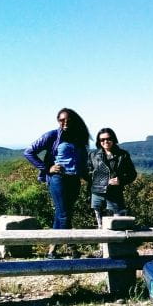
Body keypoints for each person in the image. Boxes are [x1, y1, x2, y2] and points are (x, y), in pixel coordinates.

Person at [24, 108, 90, 258]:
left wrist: (90, 179)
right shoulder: (52, 135)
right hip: (58, 179)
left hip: (74, 179)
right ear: (58, 121)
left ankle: (52, 250)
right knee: (64, 215)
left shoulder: (79, 138)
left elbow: (82, 162)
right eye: (61, 120)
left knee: (62, 214)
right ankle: (72, 247)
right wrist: (47, 168)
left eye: (68, 120)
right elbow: (29, 152)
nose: (65, 122)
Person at [88, 127, 137, 229]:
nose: (105, 141)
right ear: (98, 141)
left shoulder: (123, 155)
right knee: (99, 226)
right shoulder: (93, 155)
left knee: (117, 226)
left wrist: (121, 180)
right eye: (102, 139)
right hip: (97, 194)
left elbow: (132, 174)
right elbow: (86, 173)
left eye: (108, 139)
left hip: (115, 195)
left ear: (113, 139)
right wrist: (102, 180)